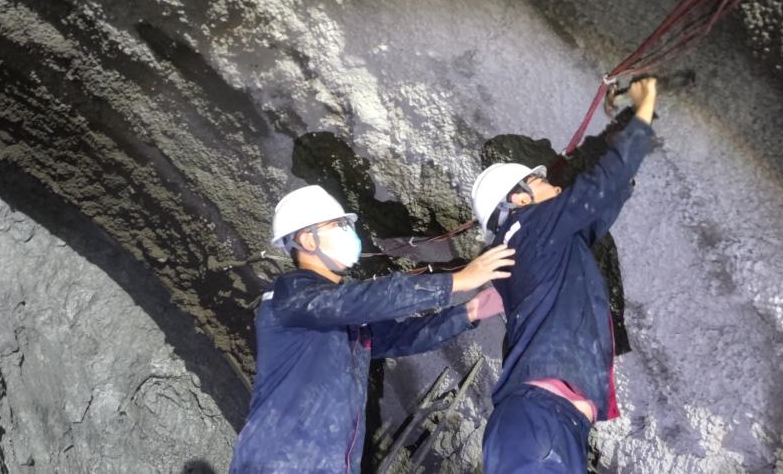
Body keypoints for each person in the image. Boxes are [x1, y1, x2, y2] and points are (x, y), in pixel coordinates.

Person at [229, 185, 513, 474]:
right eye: (338, 225)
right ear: (306, 239)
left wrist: (469, 312)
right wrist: (457, 280)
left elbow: (402, 337)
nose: (349, 233)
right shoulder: (287, 297)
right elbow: (366, 299)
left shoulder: (342, 316)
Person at [471, 77, 658, 473]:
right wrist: (643, 109)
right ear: (518, 200)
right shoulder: (535, 227)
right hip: (541, 419)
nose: (547, 179)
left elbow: (593, 215)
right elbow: (596, 190)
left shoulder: (524, 244)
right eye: (535, 179)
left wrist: (616, 150)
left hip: (540, 418)